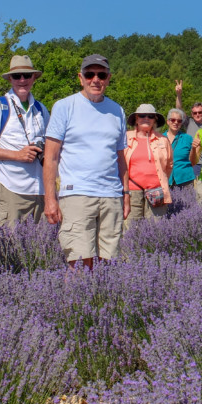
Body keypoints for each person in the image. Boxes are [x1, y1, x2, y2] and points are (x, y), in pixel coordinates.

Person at [43, 54, 130, 270]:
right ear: (80, 78)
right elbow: (51, 157)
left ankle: (105, 303)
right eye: (89, 74)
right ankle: (75, 304)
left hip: (111, 195)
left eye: (101, 75)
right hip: (76, 194)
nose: (95, 80)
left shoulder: (117, 110)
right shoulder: (64, 106)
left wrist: (126, 194)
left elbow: (120, 157)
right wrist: (50, 199)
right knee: (80, 263)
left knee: (110, 262)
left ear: (108, 78)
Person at [0, 55, 49, 226]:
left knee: (39, 249)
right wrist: (18, 155)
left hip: (40, 188)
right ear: (10, 79)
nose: (22, 80)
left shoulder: (41, 109)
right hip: (11, 188)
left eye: (27, 75)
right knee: (8, 247)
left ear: (34, 78)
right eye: (17, 76)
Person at [125, 104, 173, 224]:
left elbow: (169, 165)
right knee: (131, 229)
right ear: (136, 118)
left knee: (156, 230)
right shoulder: (126, 138)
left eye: (150, 116)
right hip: (132, 191)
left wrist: (159, 181)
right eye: (142, 115)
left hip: (157, 191)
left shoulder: (163, 140)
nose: (146, 118)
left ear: (155, 120)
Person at [175, 80, 202, 178]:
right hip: (193, 163)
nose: (197, 115)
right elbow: (178, 110)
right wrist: (179, 95)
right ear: (192, 114)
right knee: (194, 191)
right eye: (195, 113)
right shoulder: (189, 123)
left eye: (200, 112)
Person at [164, 108, 195, 189]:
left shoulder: (188, 139)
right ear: (168, 121)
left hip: (185, 179)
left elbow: (193, 160)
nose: (176, 122)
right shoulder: (159, 138)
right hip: (165, 179)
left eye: (179, 121)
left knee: (188, 201)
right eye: (173, 120)